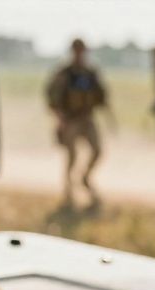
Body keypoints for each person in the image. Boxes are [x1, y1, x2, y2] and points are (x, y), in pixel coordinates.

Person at [45, 39, 108, 205]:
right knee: (71, 155)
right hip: (70, 120)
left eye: (82, 51)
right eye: (77, 51)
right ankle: (68, 187)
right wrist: (61, 119)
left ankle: (85, 178)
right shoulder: (64, 73)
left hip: (86, 119)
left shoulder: (90, 72)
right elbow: (52, 97)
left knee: (97, 151)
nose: (80, 54)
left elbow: (101, 95)